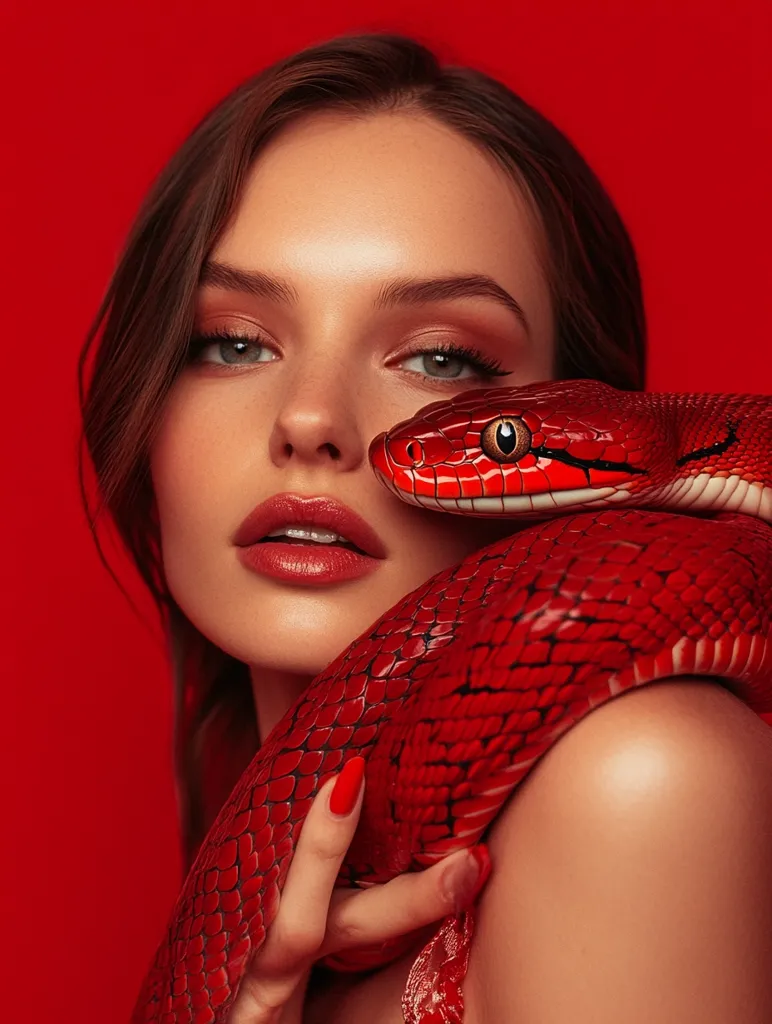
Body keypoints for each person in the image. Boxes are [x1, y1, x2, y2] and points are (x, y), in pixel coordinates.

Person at [79, 32, 772, 1024]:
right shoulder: (267, 937)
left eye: (442, 358)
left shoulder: (644, 782)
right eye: (231, 341)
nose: (312, 419)